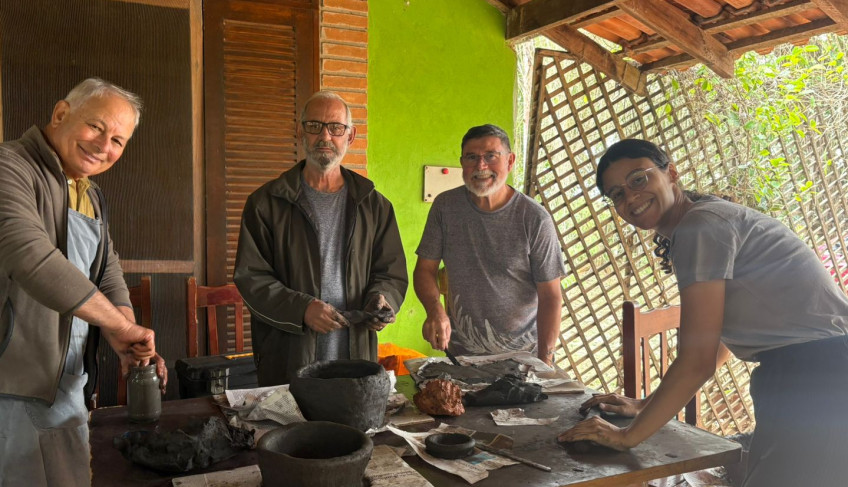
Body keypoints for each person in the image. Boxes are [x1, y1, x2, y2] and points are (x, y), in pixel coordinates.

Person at [557, 138, 848, 487]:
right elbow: (719, 338)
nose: (630, 197)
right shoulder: (703, 220)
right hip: (817, 374)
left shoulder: (701, 225)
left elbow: (698, 361)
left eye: (638, 179)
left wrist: (626, 437)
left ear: (671, 173)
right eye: (617, 194)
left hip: (820, 381)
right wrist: (645, 405)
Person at [0, 78, 167, 486]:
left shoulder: (89, 193)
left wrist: (126, 337)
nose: (103, 145)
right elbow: (30, 256)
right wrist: (120, 325)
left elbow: (107, 270)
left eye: (118, 140)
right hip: (14, 382)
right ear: (61, 114)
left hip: (69, 382)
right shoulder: (10, 167)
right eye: (96, 126)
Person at [233, 91, 408, 386]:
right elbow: (252, 277)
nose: (325, 136)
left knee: (352, 413)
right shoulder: (266, 203)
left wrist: (382, 298)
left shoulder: (375, 206)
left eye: (336, 127)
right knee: (293, 415)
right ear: (300, 132)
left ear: (350, 136)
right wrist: (302, 309)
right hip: (289, 354)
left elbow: (390, 272)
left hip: (355, 354)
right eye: (314, 126)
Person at [414, 124, 566, 365]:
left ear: (510, 161)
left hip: (522, 360)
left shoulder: (534, 219)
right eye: (471, 157)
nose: (481, 166)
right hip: (462, 357)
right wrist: (434, 310)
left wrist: (545, 363)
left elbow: (551, 296)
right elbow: (425, 269)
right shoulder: (445, 207)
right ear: (462, 163)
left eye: (490, 156)